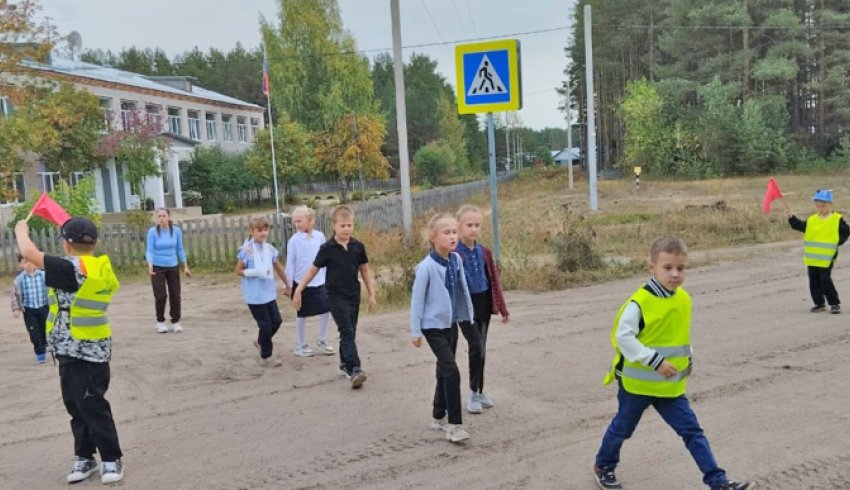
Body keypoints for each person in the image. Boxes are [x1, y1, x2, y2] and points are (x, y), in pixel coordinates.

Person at [592, 236, 751, 490]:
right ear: (652, 266)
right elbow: (623, 338)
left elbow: (679, 335)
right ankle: (604, 465)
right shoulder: (639, 303)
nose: (675, 274)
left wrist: (689, 358)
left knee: (692, 432)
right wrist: (654, 361)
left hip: (670, 388)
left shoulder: (683, 299)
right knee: (622, 429)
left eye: (681, 268)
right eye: (667, 268)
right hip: (637, 387)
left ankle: (718, 482)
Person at [15, 216, 124, 484]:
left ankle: (111, 458)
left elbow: (28, 252)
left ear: (65, 244)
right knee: (76, 403)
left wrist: (21, 229)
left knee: (90, 403)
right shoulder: (98, 265)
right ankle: (85, 456)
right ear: (95, 242)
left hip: (85, 348)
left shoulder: (70, 268)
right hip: (75, 346)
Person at [293, 205, 376, 389]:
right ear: (334, 226)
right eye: (343, 225)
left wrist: (371, 293)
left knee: (350, 332)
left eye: (350, 225)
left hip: (353, 296)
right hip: (335, 297)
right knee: (346, 331)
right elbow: (313, 270)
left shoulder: (358, 247)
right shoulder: (327, 248)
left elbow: (364, 270)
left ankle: (343, 364)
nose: (347, 229)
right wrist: (299, 289)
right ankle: (355, 369)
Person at [410, 213, 474, 443]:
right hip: (432, 327)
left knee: (443, 370)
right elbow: (417, 300)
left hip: (450, 324)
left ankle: (438, 415)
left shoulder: (456, 259)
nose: (452, 236)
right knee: (452, 371)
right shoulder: (425, 268)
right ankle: (454, 425)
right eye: (446, 232)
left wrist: (467, 316)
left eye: (454, 231)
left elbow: (461, 291)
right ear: (433, 237)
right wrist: (415, 330)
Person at [455, 205, 510, 414]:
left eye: (477, 225)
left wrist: (502, 308)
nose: (473, 229)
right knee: (476, 346)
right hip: (464, 308)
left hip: (484, 304)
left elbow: (494, 281)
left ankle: (479, 390)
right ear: (459, 226)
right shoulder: (454, 253)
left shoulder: (484, 251)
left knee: (482, 350)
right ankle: (472, 393)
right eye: (469, 225)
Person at [236, 216, 290, 367]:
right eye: (259, 230)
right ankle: (266, 356)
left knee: (277, 321)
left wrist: (287, 283)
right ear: (252, 232)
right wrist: (254, 272)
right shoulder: (246, 251)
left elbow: (277, 267)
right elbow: (238, 270)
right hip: (254, 295)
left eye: (265, 230)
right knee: (265, 325)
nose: (263, 233)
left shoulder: (270, 249)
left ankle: (261, 342)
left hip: (268, 293)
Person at [787, 189, 849, 314]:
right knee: (813, 281)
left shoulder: (837, 219)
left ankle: (834, 303)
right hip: (812, 257)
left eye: (823, 205)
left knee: (825, 280)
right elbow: (800, 226)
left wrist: (838, 242)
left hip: (827, 257)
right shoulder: (812, 219)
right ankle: (819, 303)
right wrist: (791, 218)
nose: (820, 207)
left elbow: (846, 232)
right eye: (818, 205)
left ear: (830, 204)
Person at [285, 206, 334, 357]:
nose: (297, 224)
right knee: (302, 313)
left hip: (320, 281)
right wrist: (288, 283)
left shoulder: (319, 236)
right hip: (301, 283)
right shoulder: (293, 241)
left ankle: (322, 339)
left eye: (299, 221)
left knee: (327, 309)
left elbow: (325, 258)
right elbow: (291, 262)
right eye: (295, 222)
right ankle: (300, 345)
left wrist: (328, 277)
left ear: (311, 221)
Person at [145, 207, 191, 333]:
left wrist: (185, 266)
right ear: (156, 218)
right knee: (160, 296)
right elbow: (149, 250)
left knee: (175, 294)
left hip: (172, 265)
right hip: (157, 266)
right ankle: (160, 322)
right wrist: (150, 264)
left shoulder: (176, 231)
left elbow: (180, 249)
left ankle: (176, 321)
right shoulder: (152, 232)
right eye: (159, 216)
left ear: (168, 217)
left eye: (164, 216)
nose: (161, 218)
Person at [11, 254, 49, 363]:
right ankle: (40, 352)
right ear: (21, 264)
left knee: (45, 329)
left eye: (31, 261)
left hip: (44, 307)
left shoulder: (43, 275)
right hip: (29, 310)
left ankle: (46, 344)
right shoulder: (19, 279)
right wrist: (16, 308)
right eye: (25, 262)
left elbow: (52, 290)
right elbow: (15, 295)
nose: (28, 264)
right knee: (34, 332)